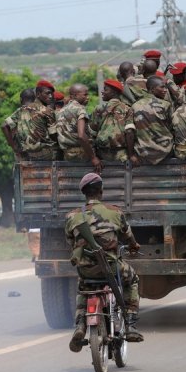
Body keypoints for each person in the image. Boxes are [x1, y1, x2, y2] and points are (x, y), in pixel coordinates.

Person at [65, 173, 143, 352]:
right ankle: (130, 324)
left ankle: (79, 326)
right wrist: (134, 246)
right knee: (132, 279)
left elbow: (71, 242)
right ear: (101, 191)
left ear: (84, 193)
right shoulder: (115, 212)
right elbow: (128, 236)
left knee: (82, 288)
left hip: (86, 270)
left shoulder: (72, 216)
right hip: (111, 268)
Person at [2, 81, 58, 161]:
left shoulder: (20, 111)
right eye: (48, 93)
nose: (51, 96)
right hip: (45, 154)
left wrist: (14, 146)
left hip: (25, 154)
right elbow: (53, 134)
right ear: (37, 95)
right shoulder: (46, 111)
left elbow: (4, 125)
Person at [56, 83, 102, 174]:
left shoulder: (60, 111)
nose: (88, 97)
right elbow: (81, 135)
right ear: (75, 96)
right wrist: (93, 157)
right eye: (85, 94)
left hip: (67, 155)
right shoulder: (80, 109)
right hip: (82, 154)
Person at [131, 75, 174, 165]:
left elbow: (130, 131)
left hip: (142, 152)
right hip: (165, 151)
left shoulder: (135, 106)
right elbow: (173, 127)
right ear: (152, 89)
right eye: (162, 87)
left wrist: (131, 154)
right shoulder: (165, 105)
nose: (165, 90)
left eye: (165, 87)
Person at [90, 79, 136, 163]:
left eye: (105, 89)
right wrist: (131, 155)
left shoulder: (99, 109)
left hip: (102, 153)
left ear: (114, 92)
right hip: (121, 153)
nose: (102, 92)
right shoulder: (127, 109)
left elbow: (92, 133)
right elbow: (129, 132)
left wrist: (94, 156)